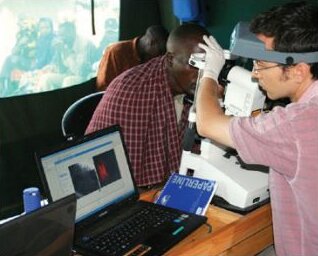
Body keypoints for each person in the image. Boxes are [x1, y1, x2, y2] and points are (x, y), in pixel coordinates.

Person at [195, 2, 318, 255]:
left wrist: (209, 72)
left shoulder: (296, 124)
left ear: (299, 71)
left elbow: (206, 123)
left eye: (261, 64)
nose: (254, 74)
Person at [86, 23, 209, 189]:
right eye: (194, 64)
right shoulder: (132, 91)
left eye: (207, 65)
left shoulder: (197, 88)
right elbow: (121, 175)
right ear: (170, 59)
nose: (202, 74)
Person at [96, 25, 169, 91]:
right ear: (151, 42)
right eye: (160, 51)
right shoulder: (115, 52)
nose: (160, 56)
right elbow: (103, 87)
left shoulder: (152, 59)